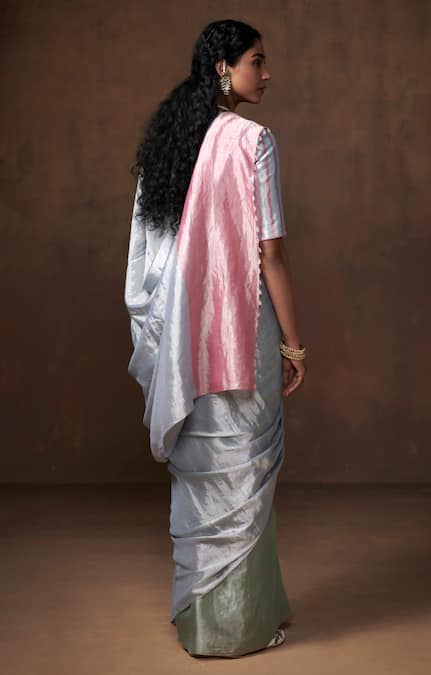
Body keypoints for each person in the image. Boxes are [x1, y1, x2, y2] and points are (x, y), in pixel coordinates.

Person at [124, 19, 306, 658]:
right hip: (241, 328)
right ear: (224, 68)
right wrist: (294, 344)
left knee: (207, 472)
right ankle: (240, 626)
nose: (267, 73)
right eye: (258, 60)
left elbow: (152, 256)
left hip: (186, 335)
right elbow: (270, 254)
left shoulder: (172, 140)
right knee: (243, 469)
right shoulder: (254, 140)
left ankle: (205, 621)